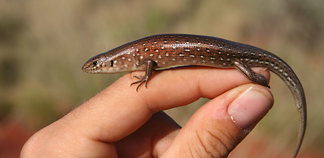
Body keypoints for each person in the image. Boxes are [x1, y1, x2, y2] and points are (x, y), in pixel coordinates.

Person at [21, 67, 273, 157]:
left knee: (249, 74)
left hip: (236, 57)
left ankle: (254, 77)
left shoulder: (144, 60)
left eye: (99, 65)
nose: (95, 68)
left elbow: (150, 64)